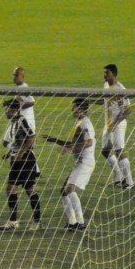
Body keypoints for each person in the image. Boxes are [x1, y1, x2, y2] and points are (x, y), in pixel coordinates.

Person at [40, 98, 96, 230]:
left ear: (81, 109)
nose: (72, 110)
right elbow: (73, 144)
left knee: (69, 190)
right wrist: (53, 140)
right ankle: (72, 222)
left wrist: (70, 149)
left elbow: (89, 142)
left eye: (74, 107)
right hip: (79, 163)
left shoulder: (85, 124)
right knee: (64, 192)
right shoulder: (79, 123)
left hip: (85, 163)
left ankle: (80, 222)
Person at [0, 99, 42, 230]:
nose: (5, 112)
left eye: (7, 109)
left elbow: (32, 137)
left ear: (14, 110)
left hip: (26, 160)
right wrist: (10, 153)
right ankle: (13, 221)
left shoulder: (21, 121)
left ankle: (37, 221)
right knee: (10, 188)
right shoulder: (13, 123)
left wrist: (21, 153)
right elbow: (16, 142)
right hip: (16, 160)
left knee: (29, 190)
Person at [101, 64, 134, 189]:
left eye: (107, 73)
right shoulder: (105, 86)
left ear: (113, 75)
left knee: (120, 151)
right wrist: (89, 101)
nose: (104, 75)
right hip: (108, 124)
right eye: (104, 73)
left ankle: (129, 181)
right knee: (105, 151)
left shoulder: (120, 89)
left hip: (118, 124)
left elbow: (128, 110)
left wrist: (115, 123)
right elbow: (104, 100)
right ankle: (119, 176)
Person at [11, 66, 36, 131]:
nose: (15, 77)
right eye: (14, 75)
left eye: (16, 75)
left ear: (22, 76)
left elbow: (32, 102)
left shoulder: (24, 88)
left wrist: (18, 107)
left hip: (28, 123)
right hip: (23, 123)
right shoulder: (19, 87)